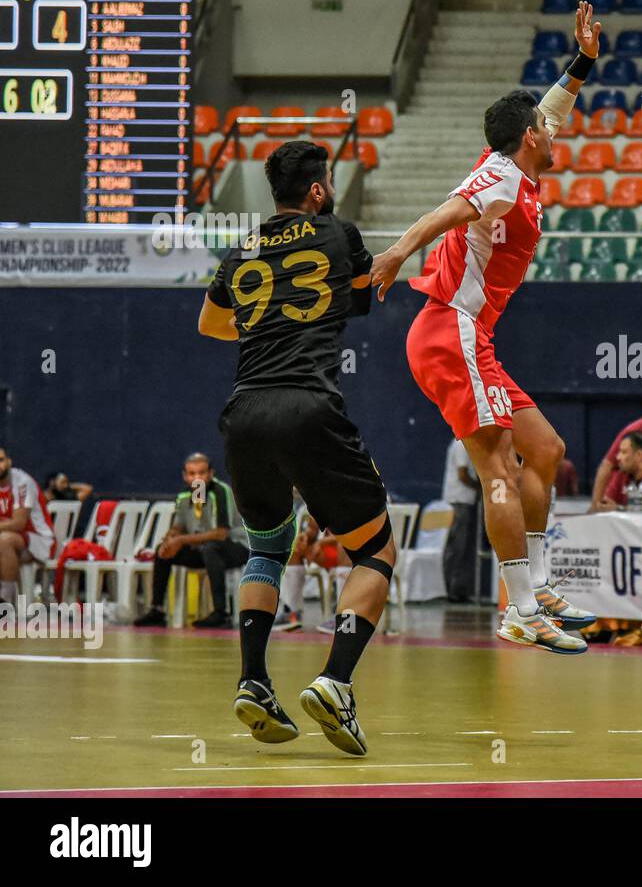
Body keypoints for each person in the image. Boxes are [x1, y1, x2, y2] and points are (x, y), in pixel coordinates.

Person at [369, 3, 603, 654]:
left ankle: (539, 589)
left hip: (473, 337)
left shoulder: (515, 162)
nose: (556, 134)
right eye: (547, 131)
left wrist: (583, 59)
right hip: (452, 329)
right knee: (498, 466)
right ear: (530, 137)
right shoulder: (502, 176)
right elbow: (448, 211)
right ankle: (521, 608)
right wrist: (397, 250)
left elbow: (551, 107)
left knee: (546, 452)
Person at [197, 139, 399, 756]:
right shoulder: (340, 234)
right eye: (330, 179)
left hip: (244, 412)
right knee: (376, 551)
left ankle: (254, 680)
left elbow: (210, 325)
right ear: (317, 190)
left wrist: (267, 321)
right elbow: (364, 298)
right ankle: (335, 680)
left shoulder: (243, 249)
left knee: (267, 546)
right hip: (308, 406)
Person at [133, 453, 248, 629]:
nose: (197, 478)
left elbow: (221, 534)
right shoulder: (184, 497)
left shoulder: (220, 492)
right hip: (204, 550)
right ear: (185, 476)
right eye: (192, 473)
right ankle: (157, 610)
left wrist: (182, 539)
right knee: (163, 552)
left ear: (211, 474)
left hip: (236, 547)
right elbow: (180, 526)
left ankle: (221, 613)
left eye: (202, 473)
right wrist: (170, 538)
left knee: (211, 548)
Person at [0, 447, 56, 607]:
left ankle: (5, 602)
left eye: (1, 460)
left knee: (4, 540)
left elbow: (19, 523)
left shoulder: (21, 482)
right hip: (14, 542)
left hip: (38, 539)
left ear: (9, 462)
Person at [442, 438, 479, 603]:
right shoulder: (461, 444)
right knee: (457, 547)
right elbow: (463, 474)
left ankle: (460, 589)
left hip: (466, 502)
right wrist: (481, 486)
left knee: (464, 548)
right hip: (459, 501)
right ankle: (452, 590)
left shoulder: (468, 444)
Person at [597, 431, 642, 512]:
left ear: (639, 455)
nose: (618, 457)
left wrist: (620, 509)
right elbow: (608, 502)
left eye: (623, 452)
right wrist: (603, 506)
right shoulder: (622, 473)